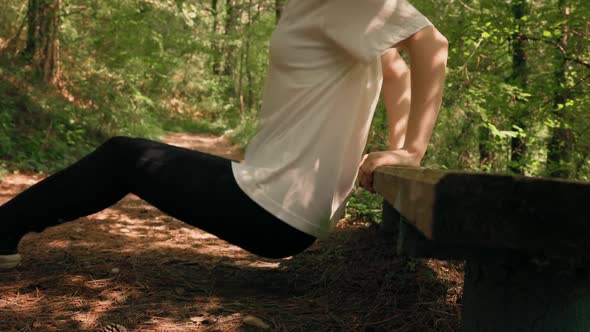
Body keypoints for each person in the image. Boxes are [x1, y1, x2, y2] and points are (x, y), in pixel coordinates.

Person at [0, 0, 447, 270]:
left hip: (273, 205)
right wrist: (393, 147)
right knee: (124, 156)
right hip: (278, 204)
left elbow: (430, 44)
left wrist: (409, 149)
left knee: (123, 156)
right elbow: (395, 68)